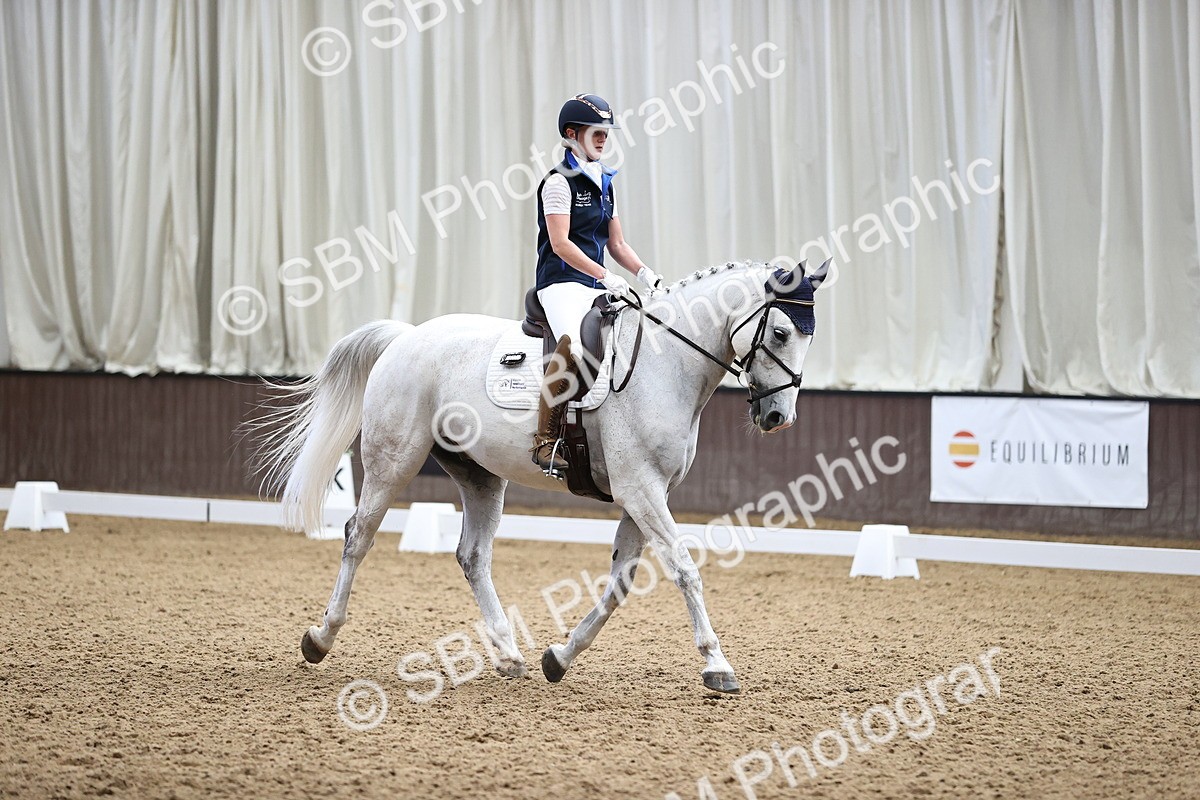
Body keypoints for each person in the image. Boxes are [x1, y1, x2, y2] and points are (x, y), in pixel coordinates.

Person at [531, 93, 661, 474]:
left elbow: (617, 243)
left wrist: (645, 274)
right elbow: (560, 243)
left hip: (597, 282)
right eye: (596, 132)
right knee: (571, 345)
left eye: (606, 132)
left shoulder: (605, 180)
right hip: (560, 282)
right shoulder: (558, 182)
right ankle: (545, 440)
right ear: (572, 134)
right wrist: (604, 275)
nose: (604, 138)